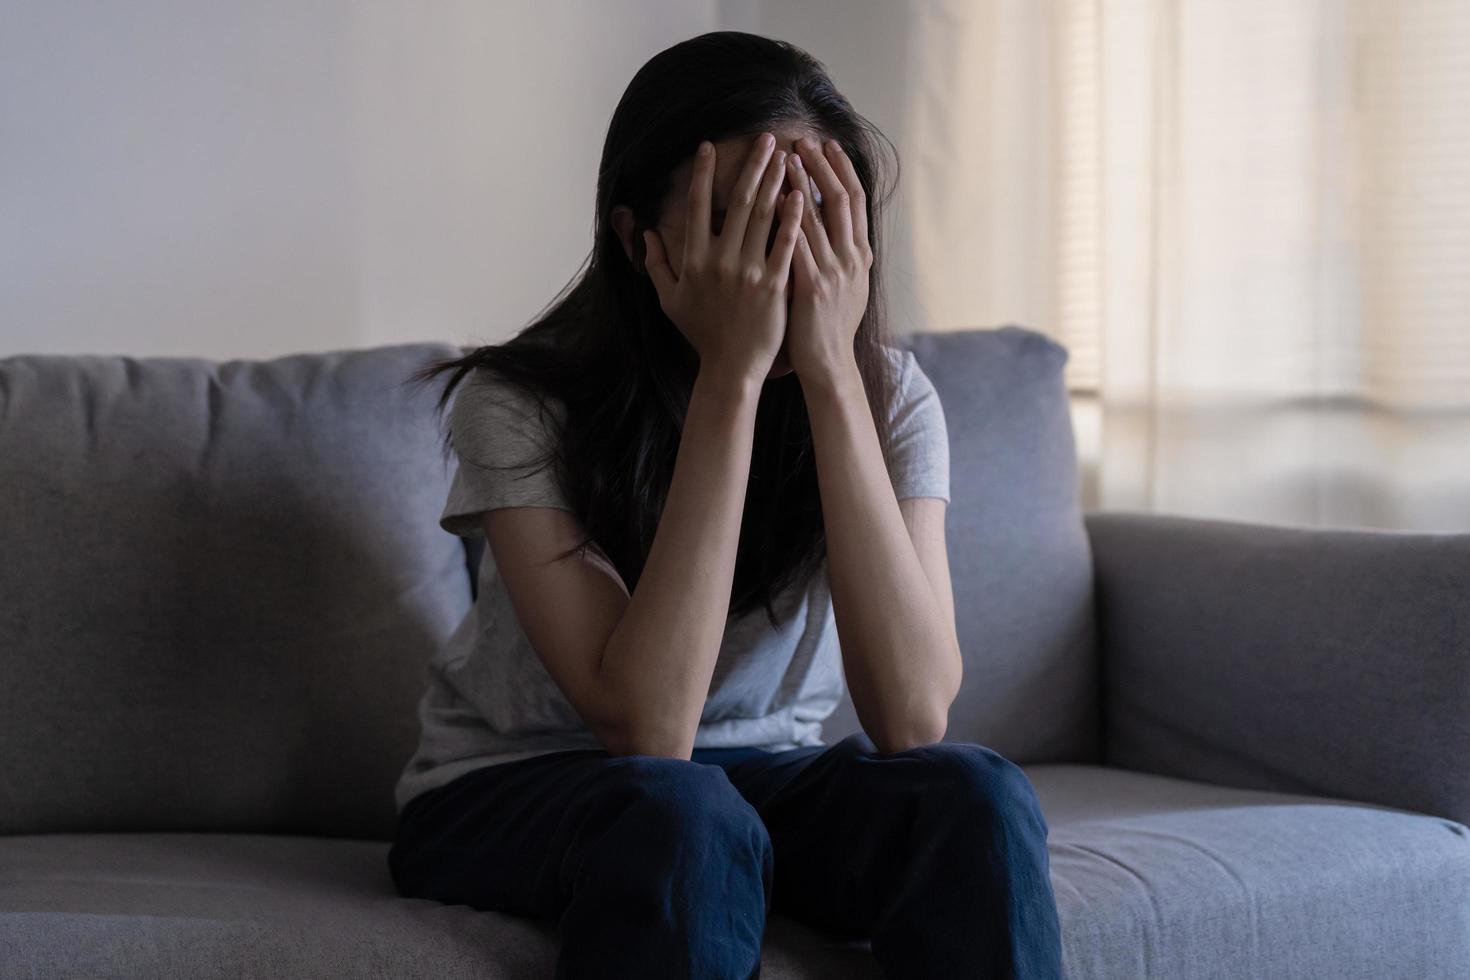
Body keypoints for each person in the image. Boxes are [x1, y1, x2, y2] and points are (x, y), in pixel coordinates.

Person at [389, 30, 1064, 980]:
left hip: (758, 785)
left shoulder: (892, 397)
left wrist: (831, 375)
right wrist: (730, 379)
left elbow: (913, 717)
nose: (785, 254)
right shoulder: (519, 403)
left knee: (972, 794)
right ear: (639, 241)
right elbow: (649, 731)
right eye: (742, 216)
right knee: (682, 811)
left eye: (816, 214)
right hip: (515, 788)